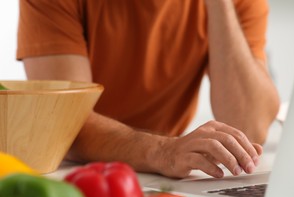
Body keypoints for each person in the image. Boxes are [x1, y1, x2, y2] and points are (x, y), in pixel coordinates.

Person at [17, 0, 280, 179]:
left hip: (166, 179)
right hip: (79, 175)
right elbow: (63, 121)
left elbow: (249, 128)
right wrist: (163, 151)